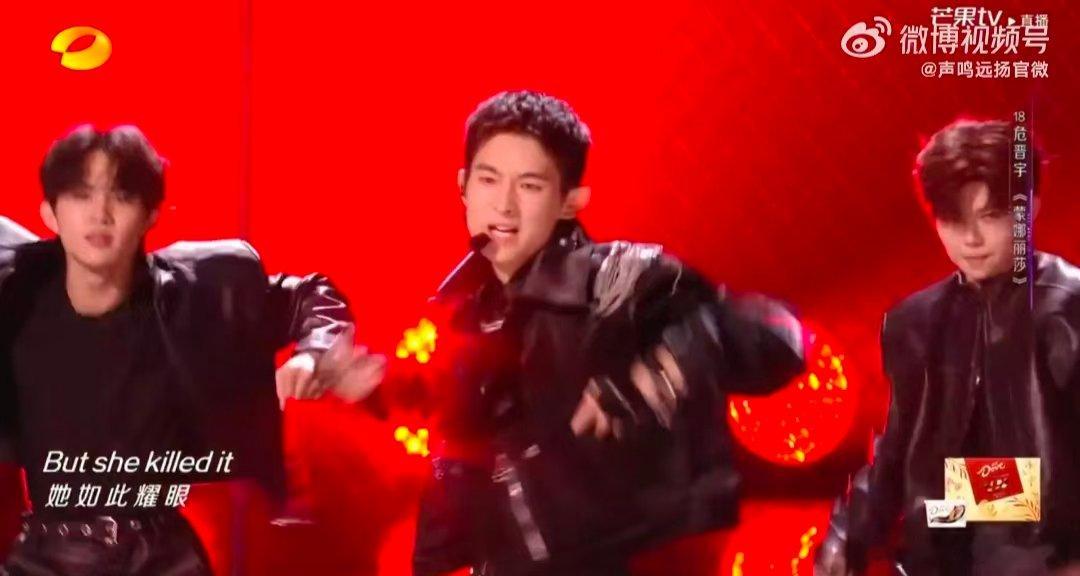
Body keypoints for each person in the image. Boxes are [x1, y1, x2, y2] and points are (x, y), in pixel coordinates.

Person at [410, 90, 805, 576]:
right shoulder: (459, 317)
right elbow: (455, 474)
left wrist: (663, 369)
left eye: (530, 186)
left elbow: (778, 338)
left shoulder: (618, 282)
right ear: (463, 186)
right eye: (489, 180)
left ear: (570, 201)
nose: (504, 206)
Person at [0, 125, 385, 575]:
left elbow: (309, 296)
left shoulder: (195, 295)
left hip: (161, 556)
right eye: (81, 195)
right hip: (46, 556)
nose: (99, 213)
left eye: (121, 196)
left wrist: (315, 353)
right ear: (50, 213)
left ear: (151, 214)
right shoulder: (16, 299)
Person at [815, 119, 1080, 575]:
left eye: (990, 216)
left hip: (1047, 549)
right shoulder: (916, 321)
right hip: (939, 548)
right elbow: (897, 451)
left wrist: (943, 492)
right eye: (954, 220)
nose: (971, 239)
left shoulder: (1069, 310)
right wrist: (847, 534)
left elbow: (1043, 487)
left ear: (1030, 207)